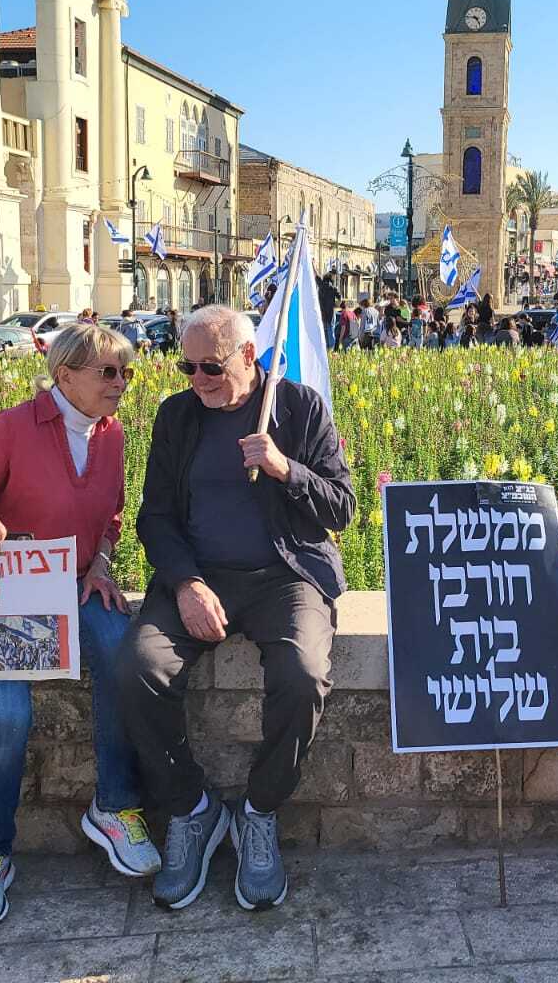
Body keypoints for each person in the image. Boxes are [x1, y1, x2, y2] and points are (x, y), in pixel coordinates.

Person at [117, 305, 354, 912]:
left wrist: (283, 468)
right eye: (187, 366)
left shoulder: (299, 408)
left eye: (211, 367)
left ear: (249, 356)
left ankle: (260, 811)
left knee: (302, 677)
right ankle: (192, 810)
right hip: (200, 576)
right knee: (139, 667)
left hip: (285, 575)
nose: (197, 379)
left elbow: (341, 509)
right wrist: (188, 584)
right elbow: (156, 517)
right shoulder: (177, 416)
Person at [0, 323, 158, 927]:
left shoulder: (113, 436)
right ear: (64, 374)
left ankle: (113, 806)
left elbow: (110, 514)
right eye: (108, 372)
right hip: (11, 591)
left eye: (126, 373)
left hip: (76, 582)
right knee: (8, 715)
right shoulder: (14, 427)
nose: (121, 384)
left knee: (122, 654)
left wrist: (102, 564)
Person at [317, 272, 339, 349]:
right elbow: (340, 298)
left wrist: (313, 264)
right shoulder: (333, 288)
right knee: (331, 330)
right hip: (331, 313)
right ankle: (331, 348)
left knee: (324, 330)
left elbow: (316, 275)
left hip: (322, 313)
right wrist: (336, 304)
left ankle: (325, 347)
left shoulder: (321, 285)